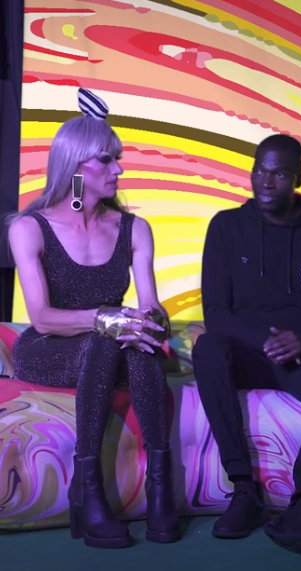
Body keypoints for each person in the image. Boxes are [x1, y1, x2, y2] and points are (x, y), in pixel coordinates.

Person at [8, 88, 179, 549]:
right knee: (110, 338)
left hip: (111, 346)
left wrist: (151, 323)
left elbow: (149, 305)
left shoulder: (134, 229)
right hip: (48, 349)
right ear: (76, 167)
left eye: (117, 159)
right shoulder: (30, 227)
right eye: (107, 159)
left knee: (137, 345)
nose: (119, 169)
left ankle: (160, 492)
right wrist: (106, 318)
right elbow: (41, 318)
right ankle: (90, 491)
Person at [192, 133, 301, 558]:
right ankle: (244, 492)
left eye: (279, 174)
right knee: (208, 348)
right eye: (259, 170)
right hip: (246, 352)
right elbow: (217, 314)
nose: (265, 181)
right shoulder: (226, 227)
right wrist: (267, 340)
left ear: (297, 179)